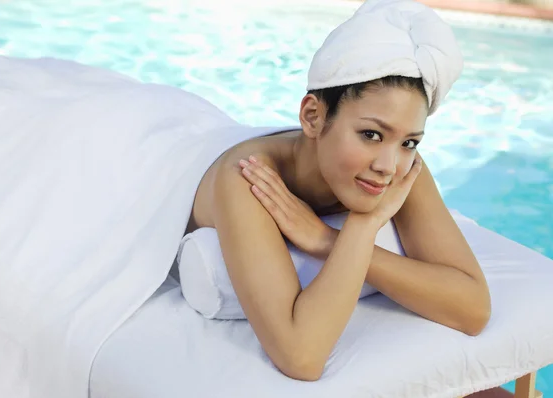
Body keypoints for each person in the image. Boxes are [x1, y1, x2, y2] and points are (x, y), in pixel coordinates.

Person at [185, 0, 492, 382]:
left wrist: (335, 238)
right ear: (312, 116)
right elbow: (301, 355)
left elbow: (473, 310)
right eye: (370, 134)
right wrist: (365, 225)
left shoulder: (398, 166)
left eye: (409, 141)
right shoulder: (250, 177)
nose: (387, 165)